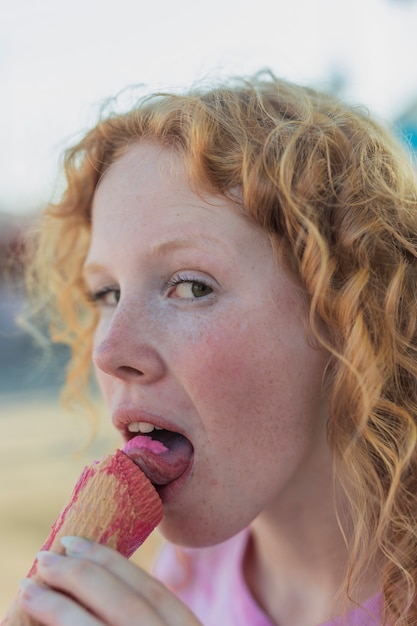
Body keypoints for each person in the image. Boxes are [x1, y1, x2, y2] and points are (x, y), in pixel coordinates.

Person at [15, 70, 417, 626]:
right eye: (106, 292)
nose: (108, 352)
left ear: (350, 315)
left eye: (190, 286)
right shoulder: (186, 574)